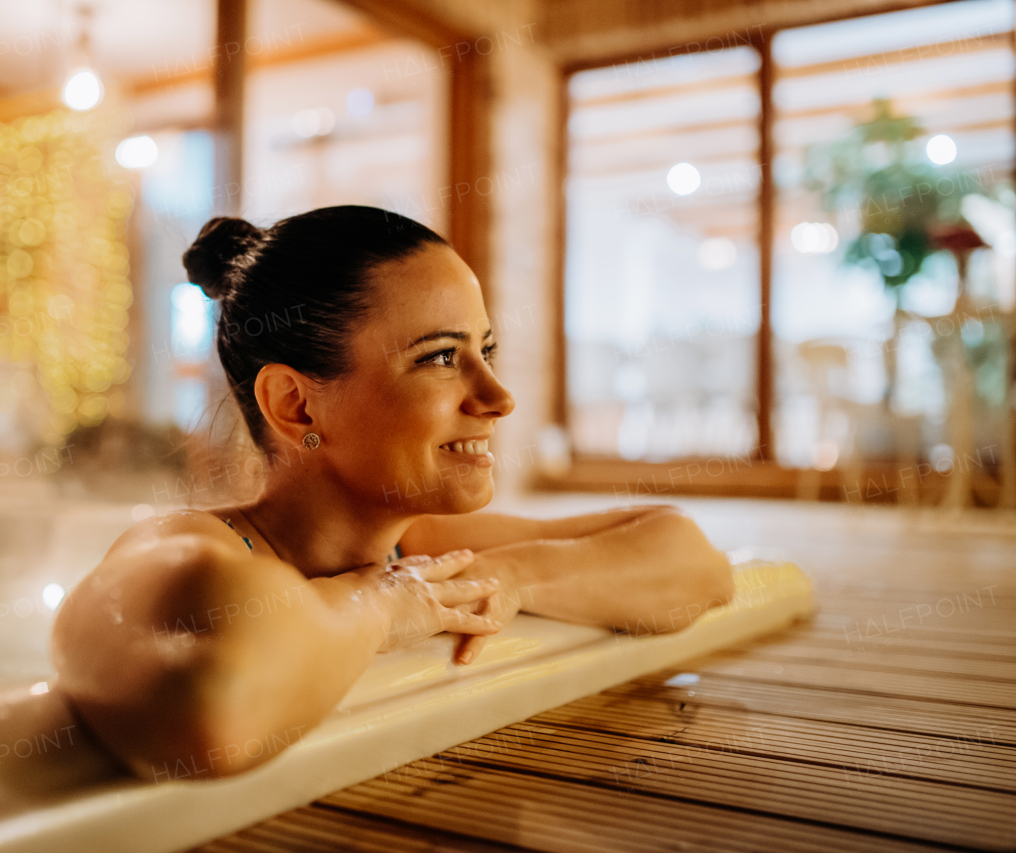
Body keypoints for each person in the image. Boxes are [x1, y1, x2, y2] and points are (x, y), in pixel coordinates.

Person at [52, 205, 735, 782]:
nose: (498, 397)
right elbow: (213, 703)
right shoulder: (180, 546)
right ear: (296, 405)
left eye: (484, 352)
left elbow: (693, 561)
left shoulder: (414, 547)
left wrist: (510, 576)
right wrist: (383, 607)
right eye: (440, 356)